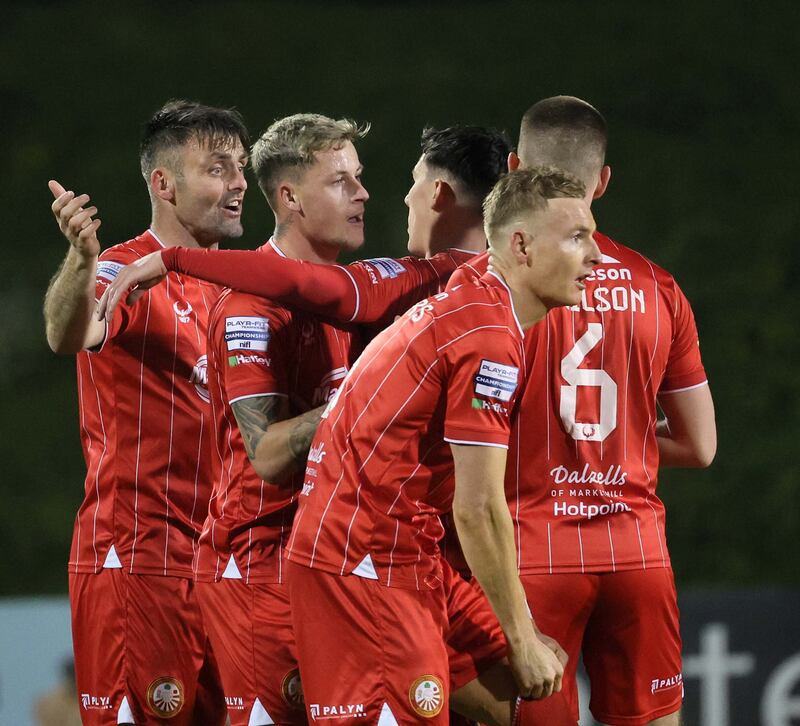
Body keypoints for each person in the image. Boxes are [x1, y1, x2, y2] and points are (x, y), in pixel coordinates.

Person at [284, 167, 601, 725]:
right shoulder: (488, 339)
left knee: (540, 710)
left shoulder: (480, 290)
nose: (596, 255)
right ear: (521, 245)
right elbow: (477, 509)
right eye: (578, 238)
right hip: (365, 560)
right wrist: (521, 636)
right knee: (520, 674)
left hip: (411, 551)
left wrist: (517, 626)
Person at [451, 96, 716, 726]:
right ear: (602, 181)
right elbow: (700, 445)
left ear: (513, 168)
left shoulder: (493, 289)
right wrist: (626, 442)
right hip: (636, 552)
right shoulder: (659, 286)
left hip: (532, 555)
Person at [43, 99, 249, 725]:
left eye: (240, 166)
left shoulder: (243, 286)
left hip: (224, 567)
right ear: (163, 183)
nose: (238, 182)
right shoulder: (121, 269)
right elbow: (68, 331)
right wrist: (79, 259)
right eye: (217, 168)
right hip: (140, 558)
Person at [194, 112, 369, 726]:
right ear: (290, 198)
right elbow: (266, 455)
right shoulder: (248, 308)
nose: (362, 193)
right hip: (257, 564)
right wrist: (366, 399)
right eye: (341, 181)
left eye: (359, 177)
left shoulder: (354, 295)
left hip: (327, 561)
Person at [95, 125, 510, 327]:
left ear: (438, 193)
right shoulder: (534, 284)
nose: (368, 194)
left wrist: (175, 259)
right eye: (340, 181)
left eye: (415, 182)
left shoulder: (406, 284)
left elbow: (308, 284)